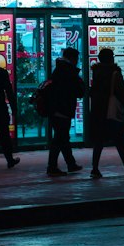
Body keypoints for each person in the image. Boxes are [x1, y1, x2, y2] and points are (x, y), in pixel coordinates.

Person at [89, 48, 124, 178]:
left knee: (99, 141)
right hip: (112, 113)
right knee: (120, 141)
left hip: (99, 112)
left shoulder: (96, 72)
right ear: (111, 58)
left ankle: (95, 169)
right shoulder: (115, 72)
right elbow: (122, 91)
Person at [46, 47, 86, 176]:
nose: (78, 61)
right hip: (62, 109)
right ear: (72, 58)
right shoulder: (67, 71)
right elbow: (78, 91)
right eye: (77, 59)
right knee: (60, 138)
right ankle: (52, 167)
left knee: (62, 137)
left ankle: (70, 164)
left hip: (57, 108)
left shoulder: (59, 69)